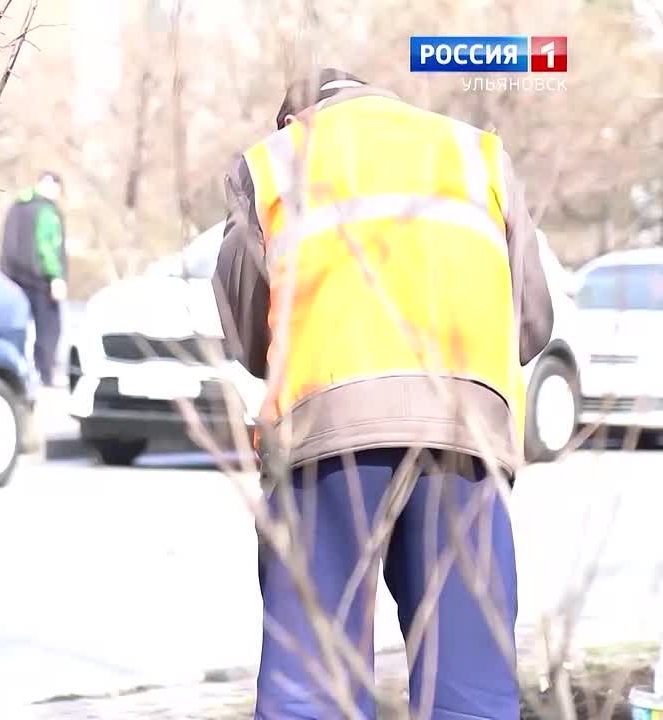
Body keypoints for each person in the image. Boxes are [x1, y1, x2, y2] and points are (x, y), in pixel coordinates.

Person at [211, 69, 554, 719]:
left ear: (293, 116)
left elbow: (249, 338)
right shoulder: (475, 153)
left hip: (327, 444)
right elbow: (532, 323)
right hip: (465, 441)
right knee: (471, 692)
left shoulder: (275, 160)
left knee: (312, 690)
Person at [0, 171, 67, 386]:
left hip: (12, 278)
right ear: (51, 186)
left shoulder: (17, 206)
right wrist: (56, 276)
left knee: (15, 328)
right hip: (40, 281)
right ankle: (44, 375)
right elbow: (47, 246)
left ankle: (12, 376)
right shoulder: (46, 211)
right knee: (49, 329)